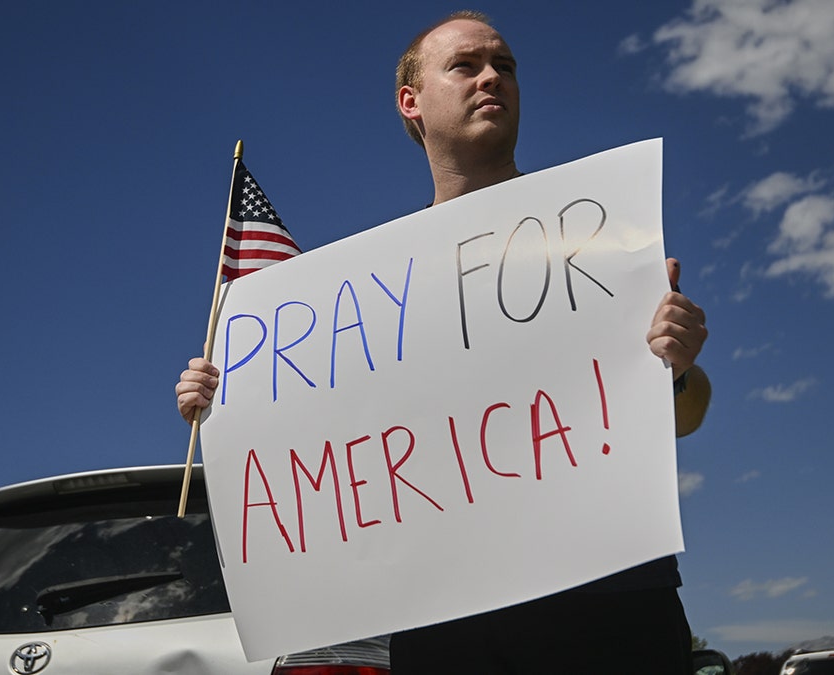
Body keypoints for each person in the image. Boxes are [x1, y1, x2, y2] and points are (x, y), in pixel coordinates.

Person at [176, 11, 710, 674]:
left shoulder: (596, 234)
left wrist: (678, 364)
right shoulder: (375, 291)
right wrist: (227, 401)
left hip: (607, 604)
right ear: (412, 101)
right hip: (447, 624)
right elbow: (336, 440)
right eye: (466, 65)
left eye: (506, 66)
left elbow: (683, 414)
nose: (493, 77)